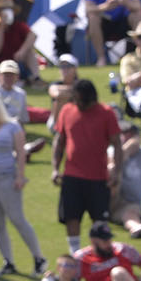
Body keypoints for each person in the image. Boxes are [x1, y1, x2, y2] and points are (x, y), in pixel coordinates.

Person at [0, 95, 44, 279]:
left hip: (6, 177)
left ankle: (38, 258)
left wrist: (20, 176)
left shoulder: (12, 127)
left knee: (17, 218)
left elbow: (21, 152)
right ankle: (8, 261)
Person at [51, 78, 122, 248]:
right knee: (71, 217)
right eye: (78, 100)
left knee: (100, 220)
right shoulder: (67, 110)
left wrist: (116, 172)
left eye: (84, 101)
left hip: (98, 177)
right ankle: (75, 252)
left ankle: (99, 253)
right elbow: (59, 141)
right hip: (72, 175)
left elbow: (117, 144)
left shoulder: (106, 113)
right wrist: (55, 168)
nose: (81, 105)